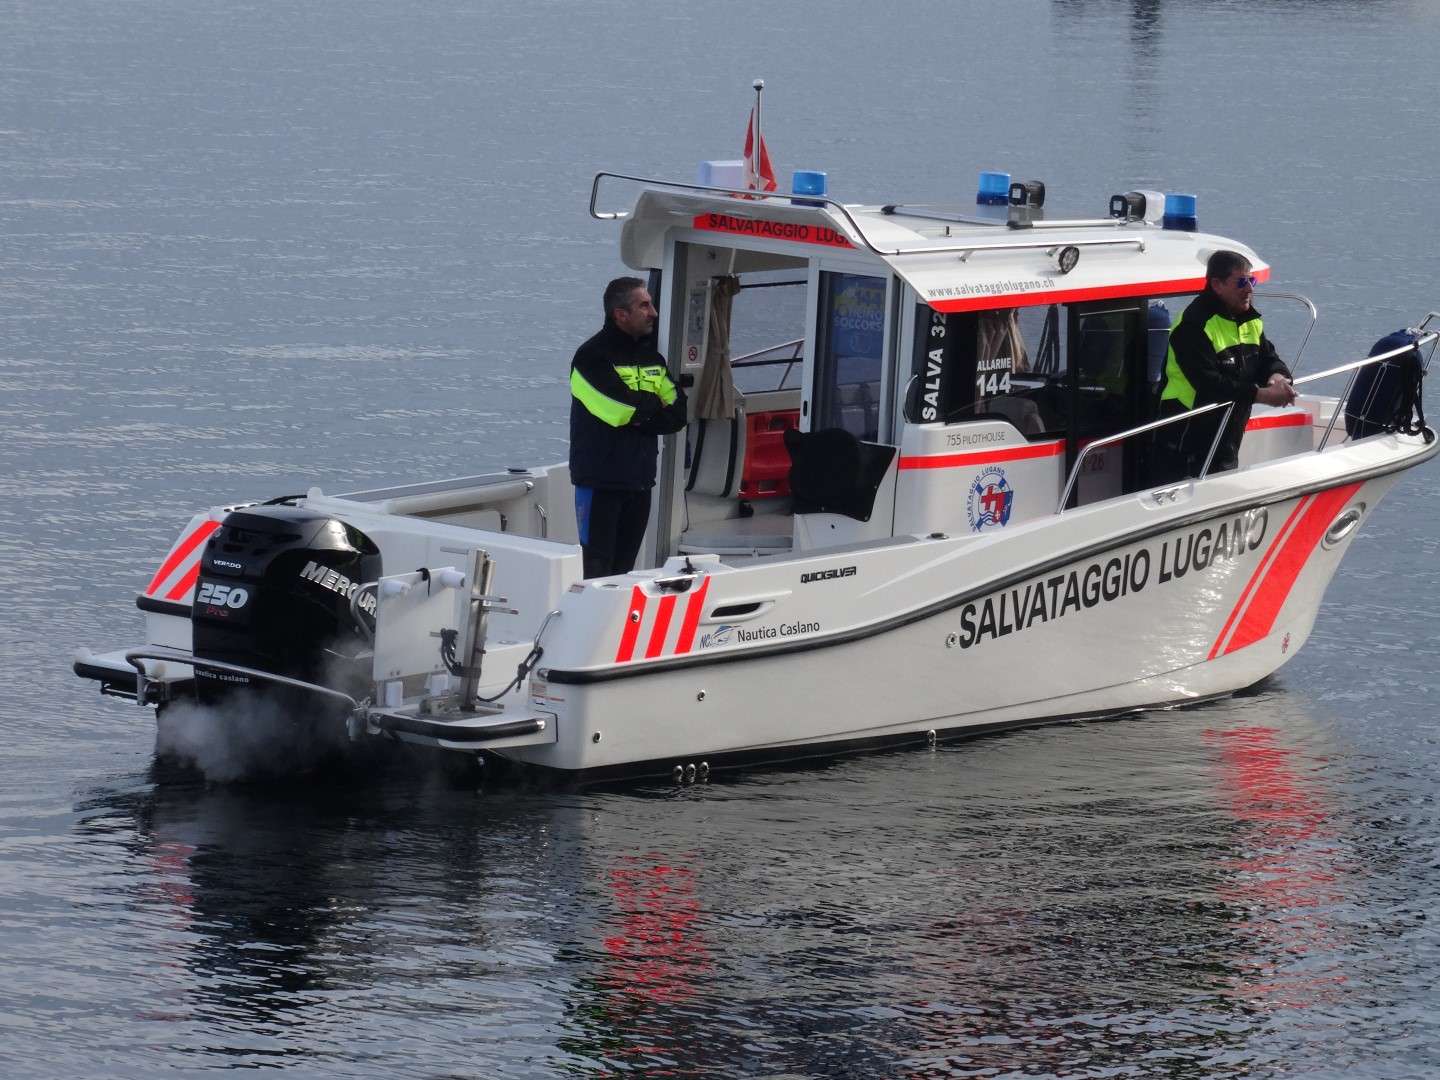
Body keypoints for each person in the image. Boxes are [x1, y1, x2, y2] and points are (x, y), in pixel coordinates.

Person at [569, 276, 688, 577]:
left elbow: (678, 414)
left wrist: (641, 413)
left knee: (625, 572)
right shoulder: (590, 358)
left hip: (640, 483)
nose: (654, 313)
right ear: (620, 314)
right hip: (600, 484)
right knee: (596, 573)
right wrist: (651, 404)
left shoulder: (652, 359)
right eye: (644, 305)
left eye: (651, 304)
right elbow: (623, 409)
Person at [1151, 250, 1297, 483]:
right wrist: (1261, 395)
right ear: (1217, 285)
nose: (1249, 289)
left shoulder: (1249, 320)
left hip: (1227, 433)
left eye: (1252, 281)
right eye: (1241, 282)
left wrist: (1278, 377)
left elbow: (1268, 358)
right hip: (1186, 435)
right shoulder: (1192, 326)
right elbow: (1209, 384)